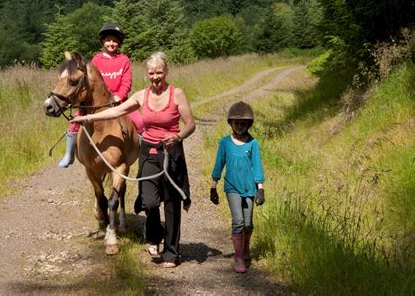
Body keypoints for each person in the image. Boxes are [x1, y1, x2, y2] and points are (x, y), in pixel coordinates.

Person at [71, 51, 195, 268]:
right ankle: (155, 236)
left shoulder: (177, 94)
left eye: (159, 72)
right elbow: (114, 111)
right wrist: (87, 117)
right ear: (147, 74)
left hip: (171, 152)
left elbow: (190, 124)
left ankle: (172, 252)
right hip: (149, 152)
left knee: (172, 204)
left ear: (166, 72)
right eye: (151, 73)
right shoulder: (141, 96)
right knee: (149, 201)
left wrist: (178, 136)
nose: (155, 77)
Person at [58, 22, 144, 168]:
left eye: (115, 40)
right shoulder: (97, 60)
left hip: (120, 102)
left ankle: (143, 154)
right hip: (99, 103)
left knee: (141, 122)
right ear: (103, 41)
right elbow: (91, 82)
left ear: (119, 42)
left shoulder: (124, 60)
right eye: (108, 40)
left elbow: (127, 82)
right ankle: (69, 153)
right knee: (74, 123)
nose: (112, 43)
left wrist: (119, 95)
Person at [209, 101, 266, 274]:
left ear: (248, 124)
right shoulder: (225, 142)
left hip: (249, 188)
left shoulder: (253, 143)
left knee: (248, 223)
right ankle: (238, 257)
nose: (240, 126)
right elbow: (219, 164)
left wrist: (260, 189)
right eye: (236, 123)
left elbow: (257, 166)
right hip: (232, 187)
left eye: (243, 123)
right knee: (238, 221)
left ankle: (246, 249)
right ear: (231, 123)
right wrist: (213, 186)